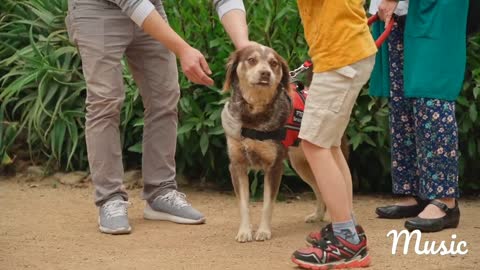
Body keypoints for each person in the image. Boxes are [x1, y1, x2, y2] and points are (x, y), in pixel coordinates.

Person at [65, 0, 248, 234]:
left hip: (149, 5)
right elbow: (131, 2)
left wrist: (245, 48)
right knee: (105, 100)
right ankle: (110, 198)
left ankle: (160, 192)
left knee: (165, 96)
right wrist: (183, 49)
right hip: (95, 8)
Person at [372, 0, 468, 232]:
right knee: (401, 100)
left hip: (436, 8)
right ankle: (413, 191)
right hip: (401, 11)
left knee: (432, 95)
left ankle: (445, 201)